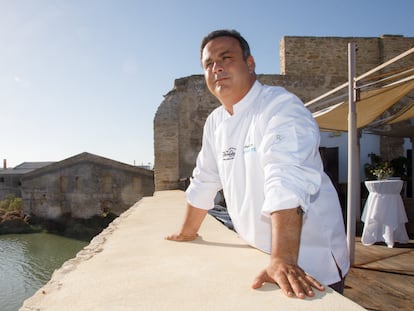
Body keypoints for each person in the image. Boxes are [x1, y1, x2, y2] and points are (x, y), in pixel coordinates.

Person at [165, 29, 350, 299]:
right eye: (208, 64)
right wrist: (187, 232)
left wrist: (283, 259)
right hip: (258, 255)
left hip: (310, 265)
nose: (216, 67)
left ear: (249, 64)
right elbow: (205, 179)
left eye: (226, 57)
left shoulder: (281, 107)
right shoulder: (215, 122)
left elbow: (286, 178)